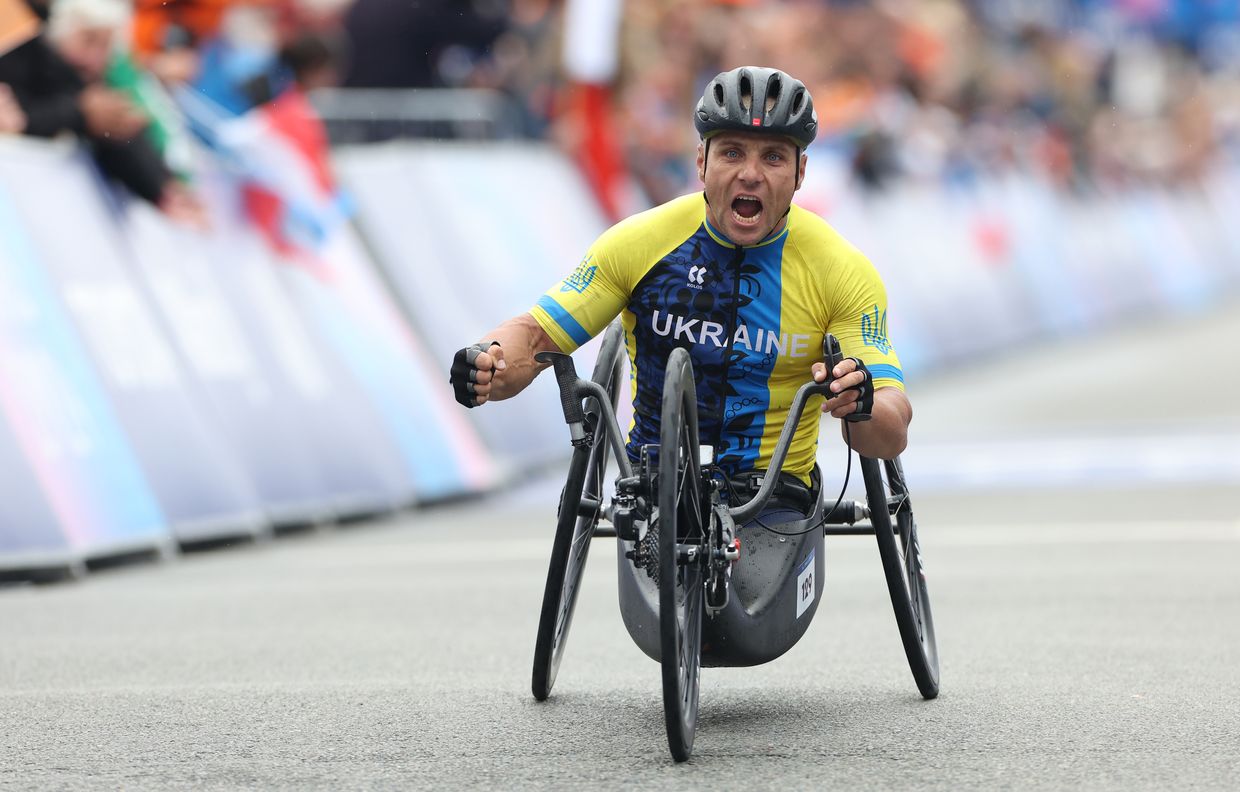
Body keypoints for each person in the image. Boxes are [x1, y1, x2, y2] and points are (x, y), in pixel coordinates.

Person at [449, 66, 911, 514]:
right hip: (657, 493)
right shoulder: (639, 243)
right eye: (732, 153)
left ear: (800, 172)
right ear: (701, 162)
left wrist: (862, 401)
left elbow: (892, 430)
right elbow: (534, 338)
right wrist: (489, 361)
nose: (750, 174)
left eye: (772, 157)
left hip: (775, 497)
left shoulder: (841, 271)